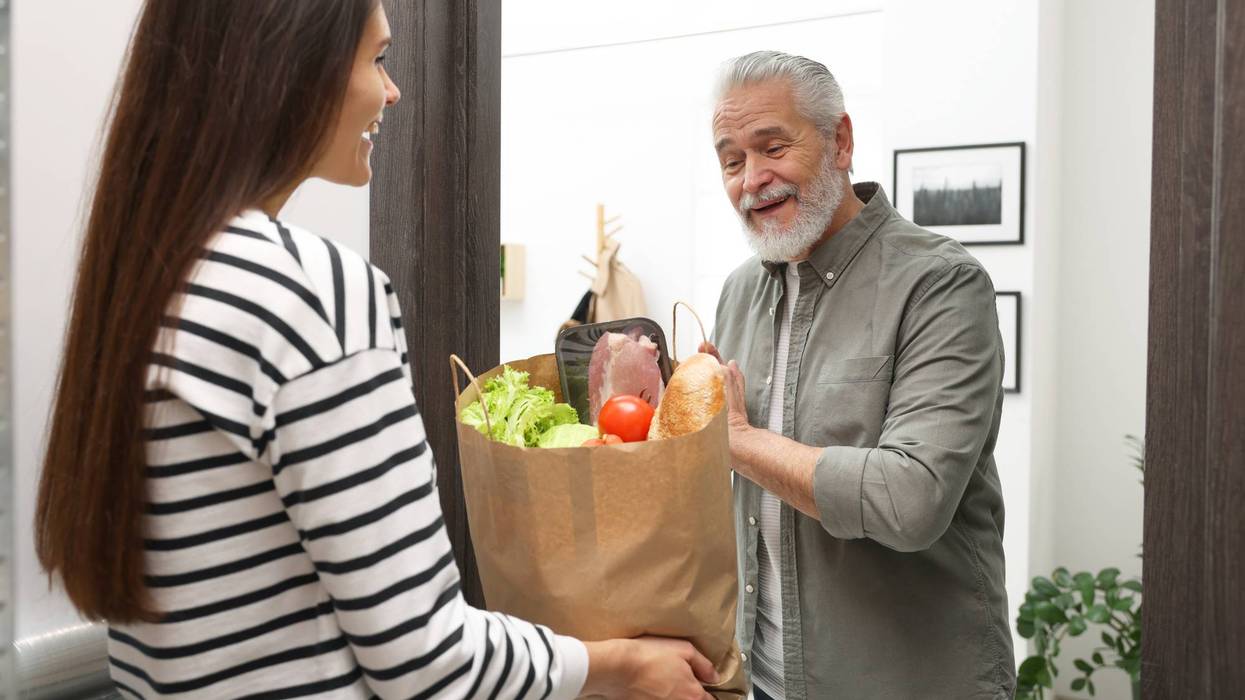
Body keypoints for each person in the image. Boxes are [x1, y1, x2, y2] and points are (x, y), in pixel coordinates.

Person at [33, 2, 716, 698]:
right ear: (290, 66)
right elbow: (425, 657)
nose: (391, 92)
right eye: (377, 59)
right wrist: (616, 666)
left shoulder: (144, 282)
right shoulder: (307, 290)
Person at [700, 51, 1015, 699]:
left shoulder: (939, 284)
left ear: (839, 141)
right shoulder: (737, 294)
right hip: (763, 680)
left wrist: (735, 439)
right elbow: (720, 490)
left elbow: (910, 500)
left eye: (772, 147)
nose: (752, 179)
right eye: (731, 160)